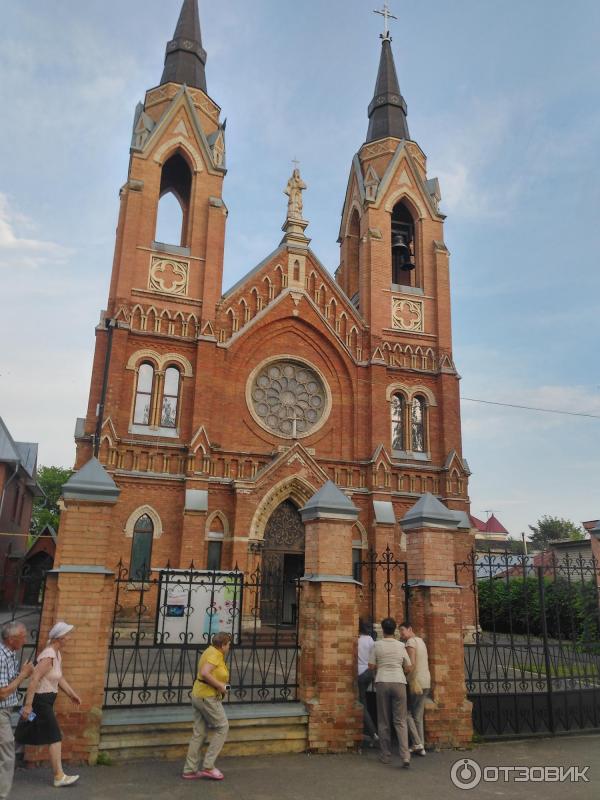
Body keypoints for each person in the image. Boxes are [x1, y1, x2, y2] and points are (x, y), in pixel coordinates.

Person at [16, 621, 81, 788]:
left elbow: (59, 678)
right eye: (67, 635)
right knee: (54, 736)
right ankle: (59, 776)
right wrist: (29, 705)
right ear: (59, 638)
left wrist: (72, 694)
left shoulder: (57, 654)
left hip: (45, 701)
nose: (69, 638)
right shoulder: (49, 655)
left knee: (22, 732)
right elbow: (34, 680)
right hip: (39, 702)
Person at [182, 631, 232, 781]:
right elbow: (205, 673)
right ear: (223, 645)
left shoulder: (210, 651)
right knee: (222, 727)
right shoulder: (215, 654)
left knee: (199, 733)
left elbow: (210, 674)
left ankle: (189, 770)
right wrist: (220, 686)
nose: (229, 647)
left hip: (199, 695)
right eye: (228, 644)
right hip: (207, 697)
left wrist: (222, 687)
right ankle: (208, 766)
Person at [368, 617, 412, 768]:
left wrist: (377, 671)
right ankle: (405, 755)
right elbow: (408, 666)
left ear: (383, 629)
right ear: (394, 630)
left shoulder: (377, 645)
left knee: (384, 720)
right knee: (400, 721)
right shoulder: (401, 645)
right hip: (399, 682)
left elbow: (371, 665)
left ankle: (386, 755)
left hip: (382, 681)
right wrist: (402, 673)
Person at [0, 622, 33, 800]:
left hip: (6, 711)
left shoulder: (10, 654)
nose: (25, 640)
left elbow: (9, 683)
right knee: (7, 755)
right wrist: (23, 675)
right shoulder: (2, 657)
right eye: (22, 637)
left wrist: (22, 674)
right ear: (12, 639)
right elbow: (2, 693)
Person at [399, 622, 431, 757]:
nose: (401, 634)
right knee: (418, 715)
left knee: (406, 714)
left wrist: (402, 672)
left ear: (410, 629)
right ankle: (420, 745)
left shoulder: (411, 642)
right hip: (426, 681)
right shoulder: (421, 641)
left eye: (402, 631)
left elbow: (411, 664)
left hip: (415, 682)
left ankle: (417, 743)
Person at [357, 619, 378, 746]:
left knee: (361, 703)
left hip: (359, 673)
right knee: (362, 700)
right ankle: (367, 731)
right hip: (369, 672)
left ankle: (373, 733)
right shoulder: (370, 639)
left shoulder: (357, 639)